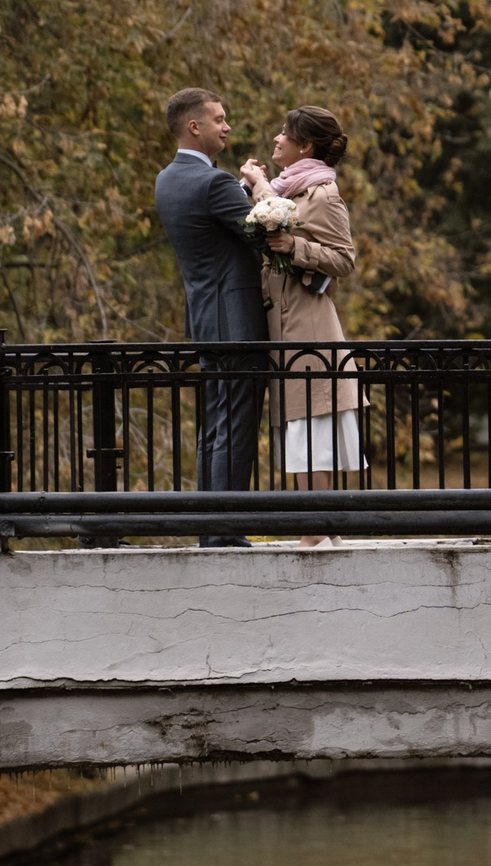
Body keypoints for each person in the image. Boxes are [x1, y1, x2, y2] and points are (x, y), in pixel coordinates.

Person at [239, 106, 360, 547]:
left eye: (284, 134)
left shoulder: (324, 193)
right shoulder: (290, 189)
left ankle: (316, 531)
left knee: (313, 426)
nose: (275, 138)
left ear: (304, 146)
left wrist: (297, 246)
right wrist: (256, 186)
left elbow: (345, 258)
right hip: (285, 324)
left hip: (309, 327)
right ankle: (320, 529)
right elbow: (273, 210)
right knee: (301, 427)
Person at [153, 87, 263, 546]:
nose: (227, 126)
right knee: (235, 423)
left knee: (215, 423)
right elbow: (263, 232)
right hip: (235, 314)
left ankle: (211, 527)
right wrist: (260, 188)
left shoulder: (167, 179)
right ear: (193, 126)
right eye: (219, 119)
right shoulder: (213, 183)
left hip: (202, 315)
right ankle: (225, 530)